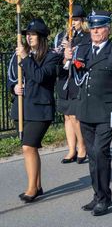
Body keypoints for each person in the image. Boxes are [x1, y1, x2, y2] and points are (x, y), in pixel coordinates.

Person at [76, 10, 112, 216]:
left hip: (106, 111)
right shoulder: (83, 50)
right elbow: (73, 74)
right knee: (92, 155)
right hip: (86, 110)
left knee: (100, 152)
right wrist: (67, 59)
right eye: (92, 27)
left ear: (108, 29)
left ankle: (104, 197)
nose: (95, 31)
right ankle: (97, 194)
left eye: (99, 27)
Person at [9, 19, 61, 202]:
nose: (29, 37)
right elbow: (11, 77)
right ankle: (37, 185)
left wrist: (25, 58)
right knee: (29, 149)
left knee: (28, 146)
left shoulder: (52, 56)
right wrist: (13, 87)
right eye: (27, 35)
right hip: (21, 108)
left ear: (42, 37)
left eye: (33, 34)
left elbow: (39, 77)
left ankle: (31, 188)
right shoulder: (20, 54)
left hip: (40, 110)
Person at [54, 4, 90, 164]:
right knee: (67, 116)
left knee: (75, 116)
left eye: (75, 20)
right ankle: (71, 149)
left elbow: (86, 60)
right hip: (63, 79)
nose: (72, 23)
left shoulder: (87, 37)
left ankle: (82, 147)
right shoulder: (61, 36)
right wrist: (63, 56)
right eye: (70, 20)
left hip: (78, 79)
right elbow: (54, 58)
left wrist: (73, 55)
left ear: (82, 21)